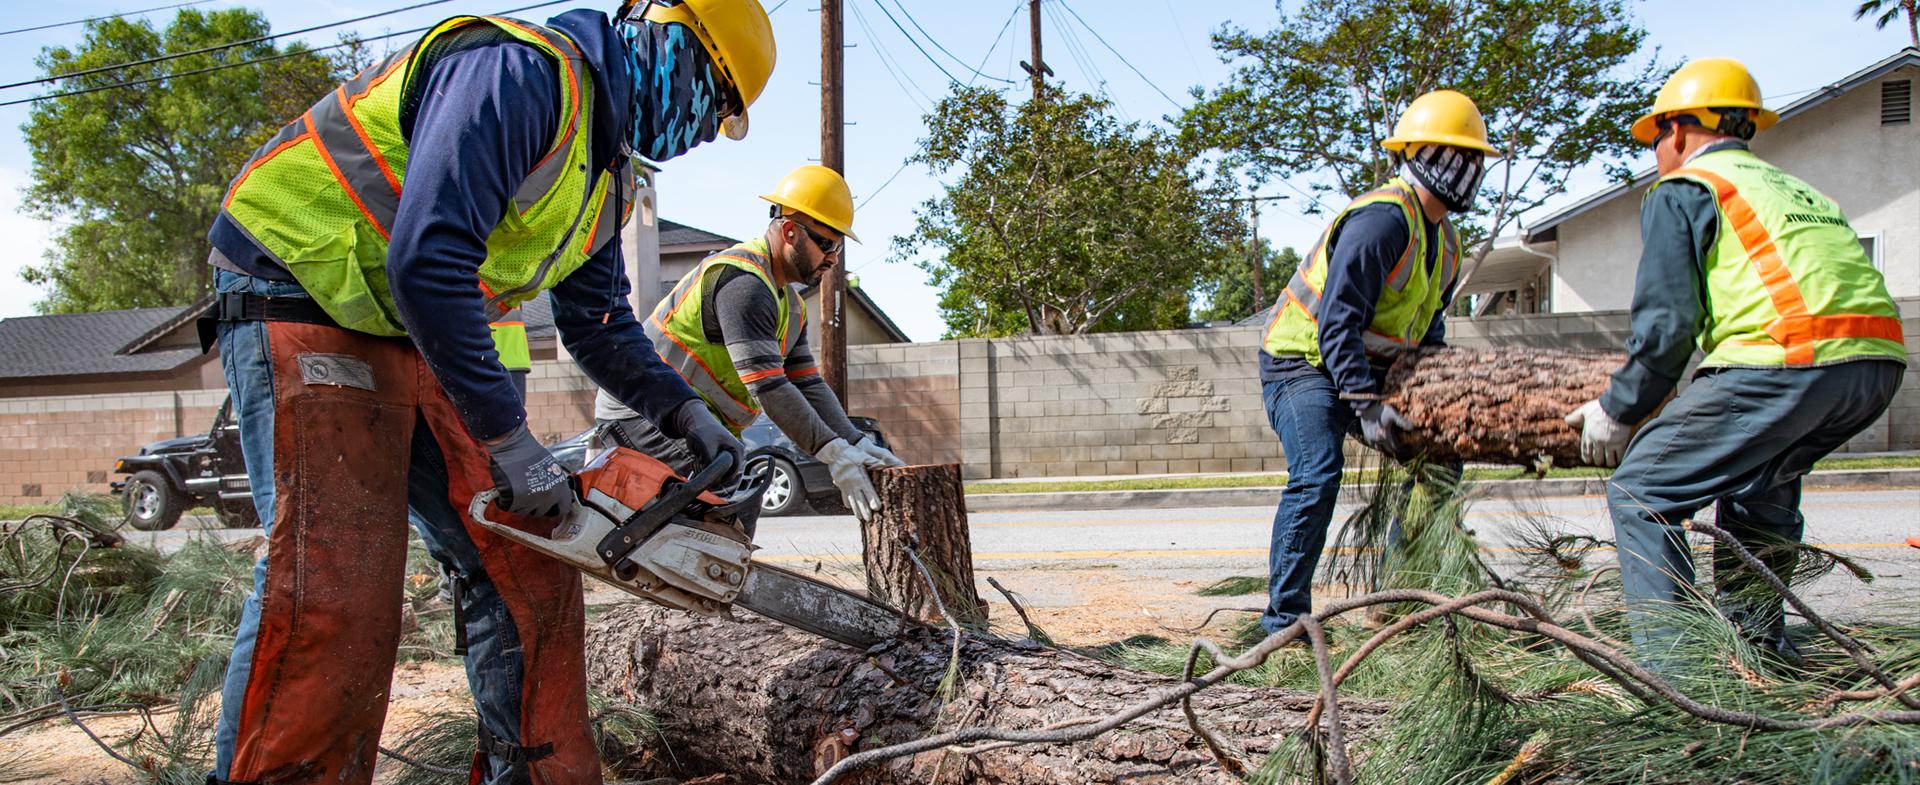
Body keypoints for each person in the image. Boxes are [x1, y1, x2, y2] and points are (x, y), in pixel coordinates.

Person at [197, 1, 777, 782]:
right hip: (296, 276)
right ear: (667, 39)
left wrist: (684, 411)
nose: (705, 131)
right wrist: (511, 442)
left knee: (527, 560)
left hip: (403, 320)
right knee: (338, 582)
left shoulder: (602, 172)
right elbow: (429, 258)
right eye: (712, 100)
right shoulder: (522, 73)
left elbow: (600, 322)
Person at [1564, 57, 1906, 663]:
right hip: (1874, 364)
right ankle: (1758, 653)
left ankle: (1682, 677)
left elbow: (1669, 323)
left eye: (1656, 140)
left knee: (1645, 492)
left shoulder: (1687, 189)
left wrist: (1620, 410)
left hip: (1785, 360)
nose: (1657, 154)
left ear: (1675, 131)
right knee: (1758, 487)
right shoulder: (1793, 187)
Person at [1253, 90, 1495, 638]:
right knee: (1317, 472)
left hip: (1365, 365)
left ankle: (1395, 597)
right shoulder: (1383, 222)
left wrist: (1433, 397)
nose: (1468, 169)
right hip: (1301, 363)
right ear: (1418, 155)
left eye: (1474, 158)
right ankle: (1283, 623)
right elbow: (1337, 321)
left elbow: (1426, 333)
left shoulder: (1447, 244)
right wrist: (1364, 407)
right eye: (1455, 154)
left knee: (1440, 461)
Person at [593, 164, 904, 528]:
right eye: (827, 243)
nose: (833, 258)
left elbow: (807, 384)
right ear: (790, 230)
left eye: (838, 246)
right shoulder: (744, 284)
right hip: (643, 413)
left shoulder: (790, 305)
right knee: (718, 511)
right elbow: (767, 385)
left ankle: (717, 579)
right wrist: (832, 453)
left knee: (735, 507)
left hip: (683, 418)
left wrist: (853, 440)